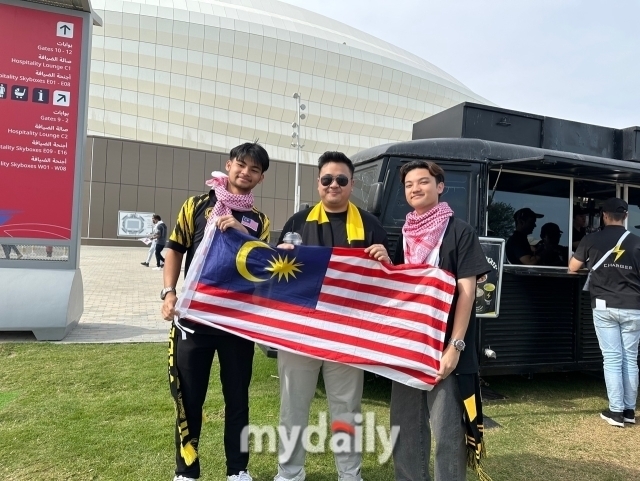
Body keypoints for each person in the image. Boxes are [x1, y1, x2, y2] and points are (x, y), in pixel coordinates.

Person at [274, 151, 389, 481]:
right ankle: (289, 473)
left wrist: (385, 260)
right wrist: (279, 259)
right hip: (300, 332)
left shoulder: (370, 225)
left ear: (352, 184)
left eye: (341, 179)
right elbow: (277, 277)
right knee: (293, 406)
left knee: (346, 409)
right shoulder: (297, 224)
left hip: (347, 333)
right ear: (318, 183)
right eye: (327, 179)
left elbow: (386, 283)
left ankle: (350, 475)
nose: (333, 185)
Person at [160, 142, 271, 481]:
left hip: (237, 323)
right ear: (228, 165)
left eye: (254, 169)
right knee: (190, 398)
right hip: (194, 320)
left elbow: (263, 265)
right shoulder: (196, 205)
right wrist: (169, 292)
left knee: (237, 399)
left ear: (261, 178)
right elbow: (175, 248)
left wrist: (241, 232)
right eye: (241, 165)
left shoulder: (259, 220)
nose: (246, 172)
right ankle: (186, 470)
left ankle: (238, 470)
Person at [390, 160, 491, 481]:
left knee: (447, 430)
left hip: (446, 343)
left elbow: (467, 293)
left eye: (423, 181)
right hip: (408, 345)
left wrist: (455, 346)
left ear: (440, 186)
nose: (415, 188)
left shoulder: (459, 231)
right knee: (405, 426)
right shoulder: (404, 235)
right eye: (409, 184)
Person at [569, 197, 640, 428]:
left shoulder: (591, 239)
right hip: (633, 306)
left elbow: (573, 267)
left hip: (603, 305)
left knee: (612, 358)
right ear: (626, 216)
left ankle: (616, 412)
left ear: (604, 215)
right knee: (630, 359)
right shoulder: (637, 242)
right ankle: (629, 411)